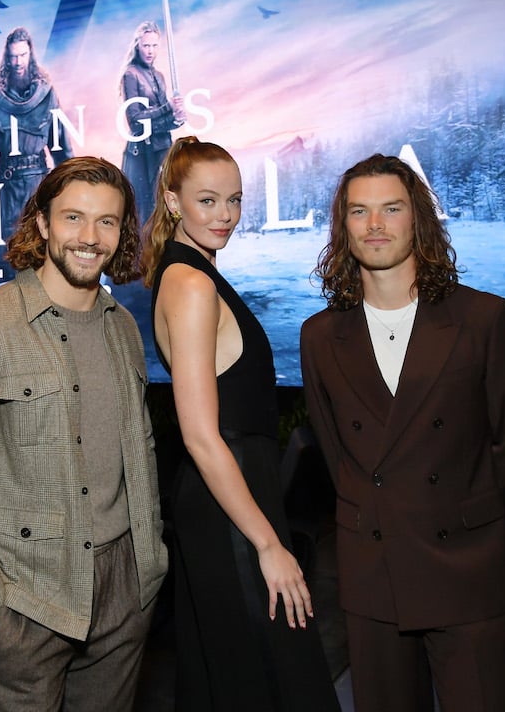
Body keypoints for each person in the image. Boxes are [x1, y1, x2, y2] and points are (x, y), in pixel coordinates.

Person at [299, 154, 505, 712]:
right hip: (373, 564)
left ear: (418, 220)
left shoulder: (483, 318)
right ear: (344, 226)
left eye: (391, 208)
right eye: (359, 211)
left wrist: (462, 509)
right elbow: (337, 453)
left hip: (462, 560)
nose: (375, 224)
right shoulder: (319, 336)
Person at [0, 156, 168, 711]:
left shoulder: (124, 327)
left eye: (107, 221)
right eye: (73, 218)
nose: (89, 237)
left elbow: (142, 448)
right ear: (42, 224)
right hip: (28, 595)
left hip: (125, 587)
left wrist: (146, 571)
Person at [141, 137, 340, 711]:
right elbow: (202, 436)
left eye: (234, 199)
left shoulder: (188, 274)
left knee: (232, 673)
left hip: (230, 493)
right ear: (174, 202)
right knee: (273, 674)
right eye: (208, 200)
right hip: (227, 499)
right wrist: (270, 544)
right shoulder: (192, 283)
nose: (225, 214)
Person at [0, 26, 73, 280]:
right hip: (7, 189)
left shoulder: (46, 95)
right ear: (7, 58)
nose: (18, 63)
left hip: (39, 187)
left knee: (43, 262)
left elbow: (61, 146)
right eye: (13, 57)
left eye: (22, 56)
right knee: (4, 265)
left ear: (30, 55)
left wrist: (72, 186)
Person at [119, 21, 184, 224]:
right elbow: (136, 120)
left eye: (154, 46)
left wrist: (177, 119)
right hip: (142, 154)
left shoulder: (159, 76)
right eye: (146, 45)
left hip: (162, 149)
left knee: (166, 210)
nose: (150, 51)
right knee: (144, 213)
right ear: (138, 45)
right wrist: (168, 109)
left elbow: (163, 122)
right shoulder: (131, 74)